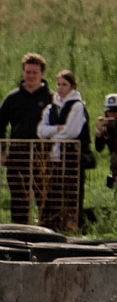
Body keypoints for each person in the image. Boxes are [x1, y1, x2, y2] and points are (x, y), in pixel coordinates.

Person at [0, 53, 53, 226]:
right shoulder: (12, 98)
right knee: (19, 196)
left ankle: (45, 230)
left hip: (43, 155)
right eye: (28, 72)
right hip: (17, 154)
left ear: (41, 74)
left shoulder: (51, 98)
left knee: (44, 194)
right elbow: (0, 125)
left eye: (34, 72)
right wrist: (2, 151)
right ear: (23, 72)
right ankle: (19, 230)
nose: (31, 76)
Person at [40, 68, 91, 233]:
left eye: (65, 84)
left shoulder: (77, 106)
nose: (61, 88)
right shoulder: (51, 107)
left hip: (72, 158)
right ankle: (54, 226)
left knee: (71, 193)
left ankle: (71, 226)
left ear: (72, 86)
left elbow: (71, 131)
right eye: (59, 84)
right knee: (53, 193)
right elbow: (41, 130)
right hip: (53, 158)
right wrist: (57, 128)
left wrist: (52, 134)